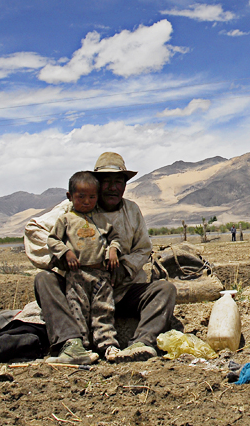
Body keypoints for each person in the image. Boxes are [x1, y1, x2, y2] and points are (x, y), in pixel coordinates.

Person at [25, 152, 177, 364]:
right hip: (76, 288)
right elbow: (34, 230)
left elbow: (143, 249)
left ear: (125, 185)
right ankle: (71, 344)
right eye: (107, 181)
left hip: (119, 290)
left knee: (164, 289)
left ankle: (142, 344)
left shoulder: (131, 211)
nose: (113, 188)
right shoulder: (77, 205)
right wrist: (64, 256)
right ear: (96, 183)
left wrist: (123, 269)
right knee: (44, 279)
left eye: (118, 182)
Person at [47, 171, 124, 363]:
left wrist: (113, 250)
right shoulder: (66, 220)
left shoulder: (102, 220)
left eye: (92, 197)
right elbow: (52, 240)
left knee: (104, 309)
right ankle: (81, 348)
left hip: (101, 275)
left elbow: (114, 238)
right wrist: (66, 252)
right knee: (77, 310)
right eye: (81, 197)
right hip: (77, 275)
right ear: (70, 196)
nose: (87, 202)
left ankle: (108, 345)